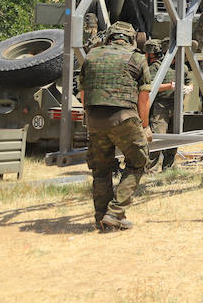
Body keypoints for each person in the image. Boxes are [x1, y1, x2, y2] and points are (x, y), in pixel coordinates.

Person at [78, 21, 153, 231]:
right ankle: (115, 212)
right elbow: (143, 97)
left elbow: (84, 94)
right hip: (124, 117)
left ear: (108, 37)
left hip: (94, 118)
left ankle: (102, 218)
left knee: (101, 169)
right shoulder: (137, 58)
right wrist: (145, 126)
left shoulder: (91, 56)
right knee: (139, 160)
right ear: (131, 39)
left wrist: (90, 118)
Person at [144, 38, 192, 171]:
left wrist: (189, 87)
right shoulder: (157, 67)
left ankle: (168, 168)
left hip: (176, 106)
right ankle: (151, 169)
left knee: (174, 136)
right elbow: (150, 86)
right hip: (161, 106)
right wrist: (169, 86)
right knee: (157, 136)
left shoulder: (182, 67)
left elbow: (189, 80)